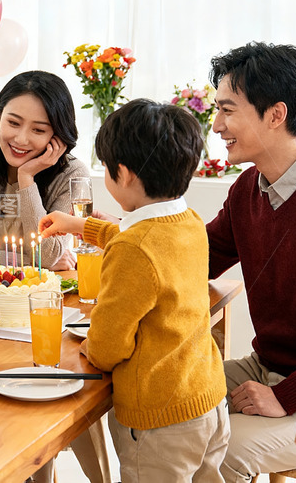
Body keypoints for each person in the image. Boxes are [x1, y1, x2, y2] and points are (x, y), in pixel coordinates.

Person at [40, 98, 230, 481]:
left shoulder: (135, 248)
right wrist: (81, 226)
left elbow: (109, 345)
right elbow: (143, 245)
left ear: (123, 174)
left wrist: (88, 346)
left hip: (160, 421)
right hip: (206, 399)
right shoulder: (187, 220)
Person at [206, 42, 296, 480]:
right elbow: (198, 255)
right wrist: (111, 235)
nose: (216, 125)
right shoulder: (249, 188)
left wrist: (287, 395)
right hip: (265, 367)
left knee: (222, 452)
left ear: (275, 114)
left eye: (228, 110)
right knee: (154, 402)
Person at [0, 70, 90, 271]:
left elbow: (46, 256)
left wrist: (26, 177)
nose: (21, 139)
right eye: (13, 123)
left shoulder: (73, 174)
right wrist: (29, 262)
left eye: (38, 130)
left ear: (57, 135)